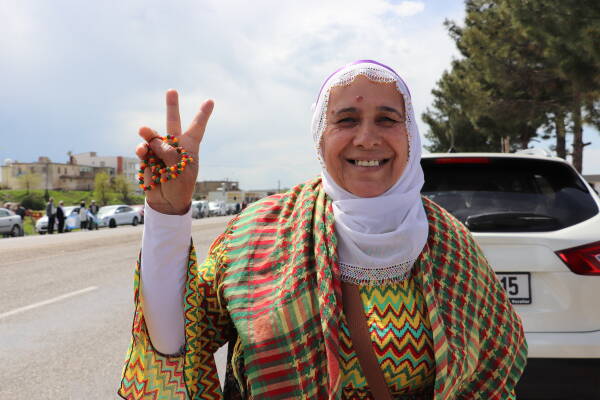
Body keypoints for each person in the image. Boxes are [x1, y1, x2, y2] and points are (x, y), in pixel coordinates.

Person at [119, 60, 527, 399]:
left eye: (387, 119)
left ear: (410, 135)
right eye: (346, 120)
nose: (366, 139)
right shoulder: (258, 232)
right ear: (320, 135)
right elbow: (175, 341)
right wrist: (167, 213)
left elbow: (495, 367)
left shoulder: (449, 241)